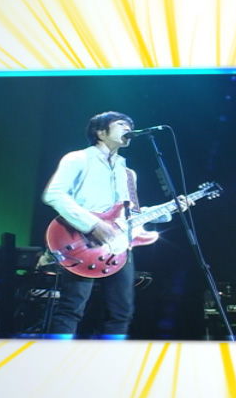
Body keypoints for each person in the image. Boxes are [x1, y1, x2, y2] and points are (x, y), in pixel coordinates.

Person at [42, 111, 190, 338]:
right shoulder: (78, 158)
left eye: (130, 125)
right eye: (121, 124)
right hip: (81, 240)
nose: (128, 128)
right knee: (71, 308)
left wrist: (171, 208)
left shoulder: (128, 173)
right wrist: (93, 225)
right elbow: (54, 194)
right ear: (100, 132)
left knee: (121, 313)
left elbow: (132, 214)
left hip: (119, 247)